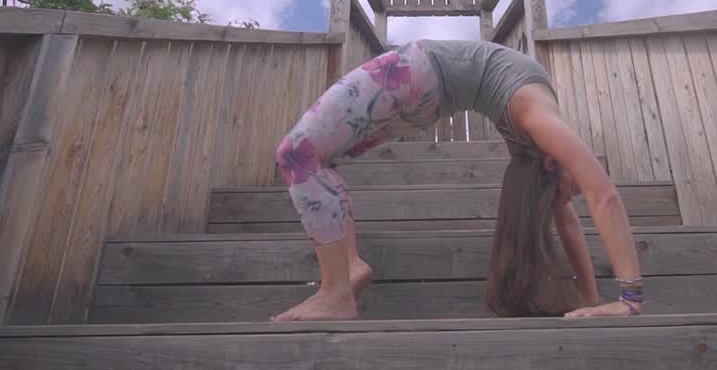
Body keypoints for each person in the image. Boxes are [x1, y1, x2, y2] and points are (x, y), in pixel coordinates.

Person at [271, 39, 645, 322]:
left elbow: (582, 212)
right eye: (574, 186)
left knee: (298, 153)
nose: (579, 186)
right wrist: (622, 299)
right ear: (551, 162)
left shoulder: (534, 137)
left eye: (570, 190)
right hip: (424, 81)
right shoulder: (540, 124)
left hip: (421, 82)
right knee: (313, 157)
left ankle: (337, 292)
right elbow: (604, 196)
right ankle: (346, 269)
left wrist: (606, 301)